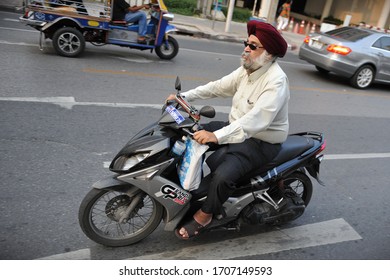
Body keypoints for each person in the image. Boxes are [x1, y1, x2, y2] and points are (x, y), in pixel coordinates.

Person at [166, 20, 290, 240]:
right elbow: (218, 86)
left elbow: (255, 121)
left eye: (253, 46)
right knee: (190, 133)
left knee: (223, 174)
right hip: (237, 127)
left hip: (260, 140)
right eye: (247, 43)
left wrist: (216, 136)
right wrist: (184, 97)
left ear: (268, 54)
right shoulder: (248, 69)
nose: (246, 49)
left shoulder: (276, 81)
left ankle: (205, 215)